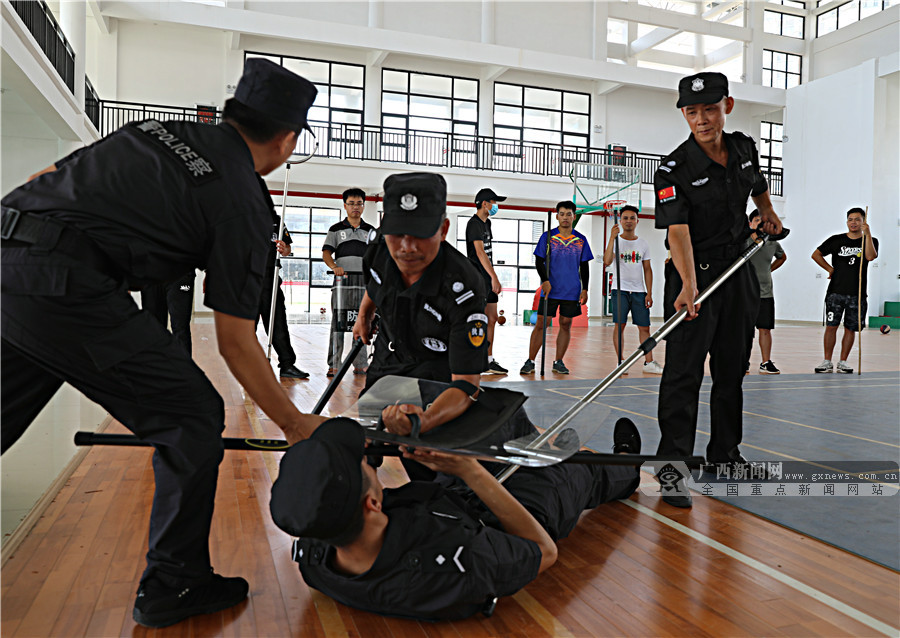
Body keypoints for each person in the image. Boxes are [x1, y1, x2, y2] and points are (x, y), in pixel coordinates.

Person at [1, 58, 328, 627]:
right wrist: (297, 425)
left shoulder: (157, 131)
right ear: (286, 139)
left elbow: (39, 180)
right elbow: (234, 338)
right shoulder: (244, 199)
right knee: (193, 415)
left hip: (9, 252)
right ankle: (175, 583)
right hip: (64, 282)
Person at [268, 415, 642, 621]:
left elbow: (330, 498)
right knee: (580, 470)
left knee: (488, 426)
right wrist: (473, 473)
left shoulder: (318, 552)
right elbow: (543, 551)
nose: (368, 459)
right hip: (511, 519)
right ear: (371, 504)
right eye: (364, 465)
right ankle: (627, 462)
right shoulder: (455, 561)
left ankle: (540, 446)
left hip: (448, 501)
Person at [653, 72, 782, 508]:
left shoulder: (744, 148)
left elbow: (759, 189)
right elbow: (678, 233)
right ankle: (672, 470)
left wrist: (768, 214)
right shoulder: (673, 169)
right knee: (683, 375)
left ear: (726, 105)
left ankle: (725, 456)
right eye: (692, 112)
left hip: (738, 270)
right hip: (695, 276)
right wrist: (689, 285)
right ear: (685, 114)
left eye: (709, 109)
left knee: (731, 371)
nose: (702, 119)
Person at [519, 201, 593, 375]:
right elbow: (539, 260)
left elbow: (585, 266)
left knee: (565, 324)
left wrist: (585, 289)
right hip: (550, 289)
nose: (565, 217)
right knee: (541, 324)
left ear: (574, 216)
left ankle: (558, 361)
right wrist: (544, 280)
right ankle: (530, 361)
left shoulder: (581, 240)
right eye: (562, 214)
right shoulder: (548, 237)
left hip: (572, 289)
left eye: (569, 214)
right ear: (557, 216)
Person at [811, 207, 878, 373]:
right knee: (831, 326)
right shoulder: (836, 240)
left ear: (864, 221)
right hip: (836, 292)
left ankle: (843, 361)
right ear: (846, 221)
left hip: (858, 293)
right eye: (850, 219)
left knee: (851, 328)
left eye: (857, 219)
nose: (853, 222)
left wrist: (867, 235)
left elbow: (870, 256)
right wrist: (830, 269)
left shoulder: (870, 240)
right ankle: (827, 361)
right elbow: (816, 254)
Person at [256, 176, 309, 379]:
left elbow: (287, 249)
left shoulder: (276, 220)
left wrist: (285, 249)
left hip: (270, 279)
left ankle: (287, 365)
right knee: (246, 329)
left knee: (278, 324)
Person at [601, 204, 663, 375]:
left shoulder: (643, 244)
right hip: (619, 290)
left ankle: (648, 362)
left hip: (639, 291)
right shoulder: (616, 241)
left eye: (632, 218)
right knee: (619, 325)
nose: (628, 221)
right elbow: (607, 261)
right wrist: (611, 239)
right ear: (620, 220)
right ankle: (621, 362)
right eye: (625, 218)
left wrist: (649, 292)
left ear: (637, 221)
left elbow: (647, 269)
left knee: (644, 327)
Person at [322, 188, 375, 376]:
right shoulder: (335, 230)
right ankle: (334, 364)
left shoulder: (371, 231)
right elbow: (326, 252)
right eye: (351, 203)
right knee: (339, 322)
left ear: (363, 206)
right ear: (345, 205)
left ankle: (360, 364)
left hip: (365, 283)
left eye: (359, 203)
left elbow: (377, 255)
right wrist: (334, 266)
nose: (355, 207)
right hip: (342, 281)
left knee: (362, 320)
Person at [465, 187, 508, 374]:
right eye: (494, 202)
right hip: (478, 279)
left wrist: (492, 276)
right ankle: (473, 358)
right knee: (478, 320)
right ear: (485, 204)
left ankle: (488, 359)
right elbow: (480, 252)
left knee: (491, 318)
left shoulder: (487, 223)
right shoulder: (473, 224)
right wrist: (494, 277)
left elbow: (488, 254)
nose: (495, 206)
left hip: (488, 278)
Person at [745, 209, 787, 375]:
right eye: (757, 220)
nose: (760, 224)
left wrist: (769, 270)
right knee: (745, 330)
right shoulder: (743, 241)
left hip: (765, 292)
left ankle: (765, 362)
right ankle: (743, 361)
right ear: (750, 223)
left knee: (765, 329)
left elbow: (782, 257)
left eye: (763, 221)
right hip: (745, 293)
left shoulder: (773, 243)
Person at [140, 271, 196, 356]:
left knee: (180, 328)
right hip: (150, 273)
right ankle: (156, 367)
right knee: (154, 329)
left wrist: (209, 271)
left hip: (180, 271)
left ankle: (183, 368)